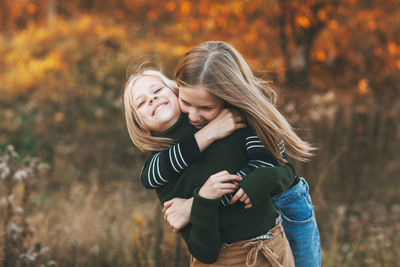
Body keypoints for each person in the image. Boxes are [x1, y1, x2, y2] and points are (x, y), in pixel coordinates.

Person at [123, 69, 296, 266]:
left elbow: (280, 169)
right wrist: (203, 199)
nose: (152, 99)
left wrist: (192, 206)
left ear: (176, 91)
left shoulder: (222, 115)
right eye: (141, 102)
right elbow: (205, 252)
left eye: (157, 90)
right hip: (225, 260)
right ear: (139, 123)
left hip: (275, 248)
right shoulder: (161, 170)